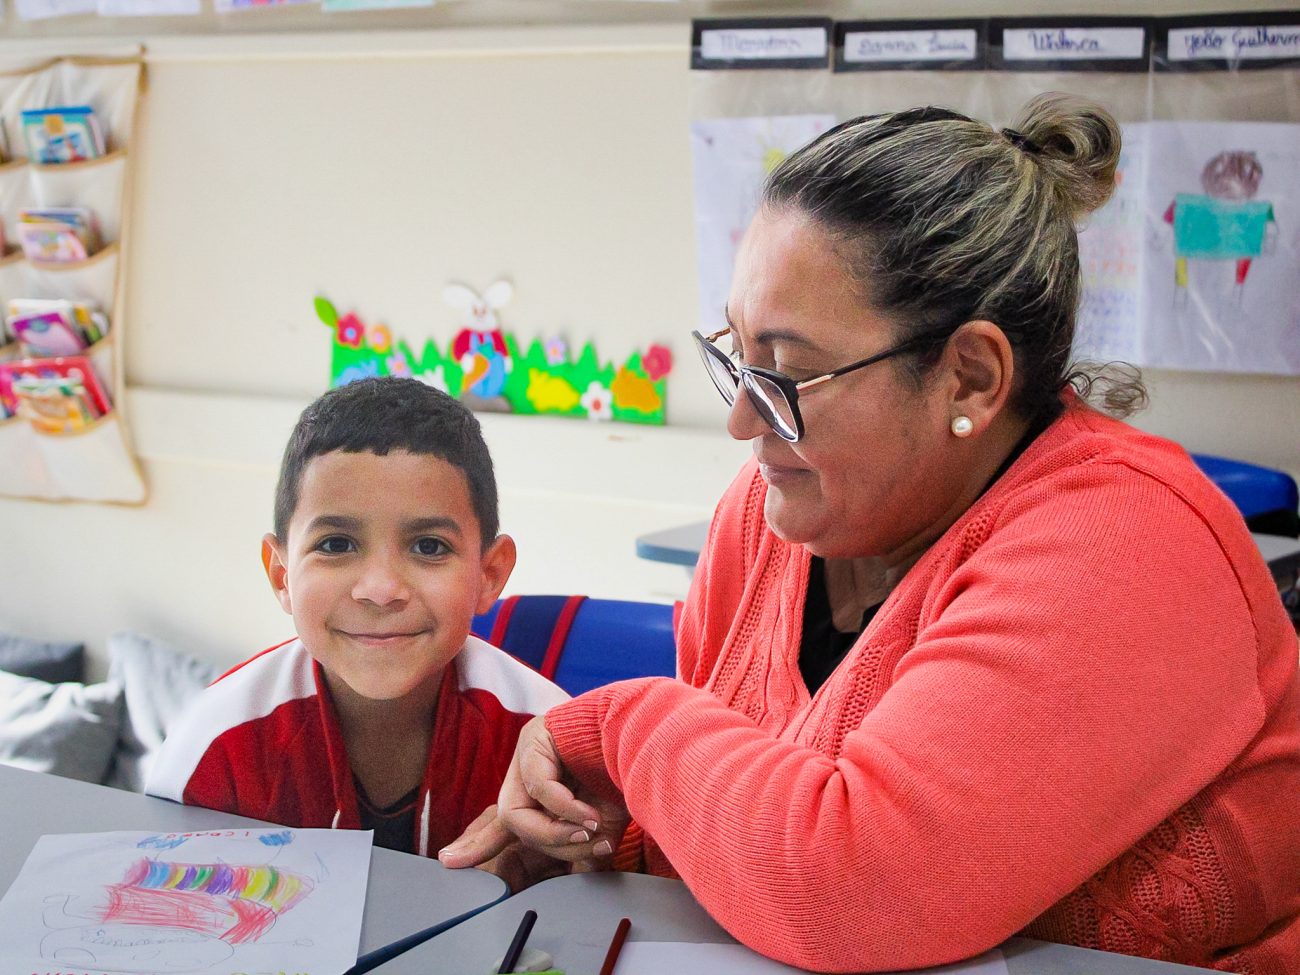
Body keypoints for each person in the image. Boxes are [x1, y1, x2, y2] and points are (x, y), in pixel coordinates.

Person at [440, 94, 1300, 973]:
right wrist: (600, 842)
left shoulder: (1128, 542)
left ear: (969, 377)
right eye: (737, 355)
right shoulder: (774, 510)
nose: (741, 421)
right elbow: (736, 826)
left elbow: (847, 886)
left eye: (790, 374)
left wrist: (620, 728)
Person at [148, 377, 568, 860]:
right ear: (282, 574)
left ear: (489, 574)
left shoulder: (542, 741)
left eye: (428, 547)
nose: (381, 590)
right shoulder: (215, 748)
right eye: (336, 544)